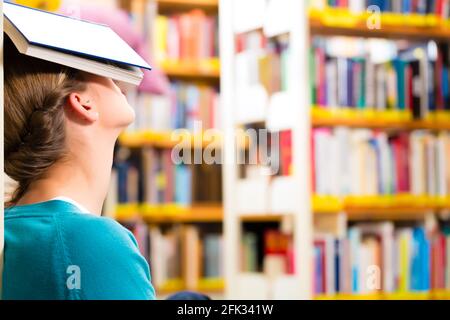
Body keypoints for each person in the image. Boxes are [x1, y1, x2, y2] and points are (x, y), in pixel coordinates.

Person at [2, 35, 155, 300]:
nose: (119, 77)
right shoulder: (91, 241)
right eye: (106, 71)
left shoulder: (15, 229)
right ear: (83, 103)